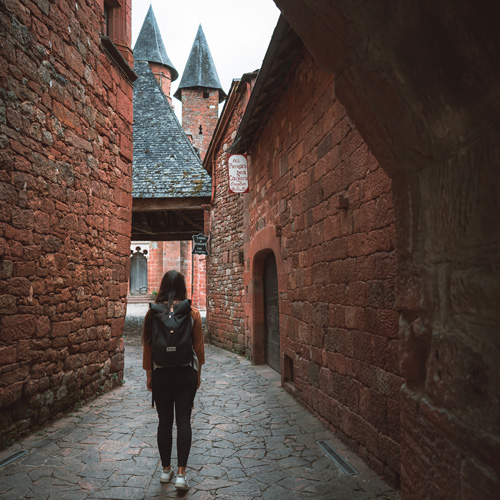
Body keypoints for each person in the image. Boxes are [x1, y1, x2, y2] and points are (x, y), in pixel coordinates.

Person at [142, 270, 205, 491]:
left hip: (161, 374)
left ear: (161, 287)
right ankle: (181, 475)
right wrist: (197, 375)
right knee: (184, 420)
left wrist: (150, 375)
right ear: (182, 287)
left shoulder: (153, 314)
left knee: (164, 421)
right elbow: (198, 349)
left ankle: (166, 470)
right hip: (184, 372)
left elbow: (148, 346)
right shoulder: (192, 313)